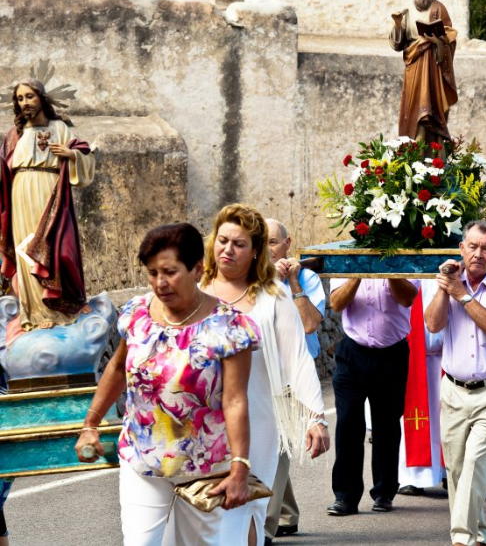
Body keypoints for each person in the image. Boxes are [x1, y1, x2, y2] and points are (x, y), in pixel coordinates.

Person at [74, 223, 258, 545]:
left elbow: (235, 401)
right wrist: (91, 422)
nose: (160, 283)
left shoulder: (228, 327)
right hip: (142, 458)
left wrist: (239, 468)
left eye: (170, 272)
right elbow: (118, 368)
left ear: (197, 268)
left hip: (207, 468)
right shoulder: (138, 314)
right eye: (152, 273)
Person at [197, 206, 328, 546]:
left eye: (239, 244)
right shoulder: (194, 290)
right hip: (200, 421)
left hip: (258, 418)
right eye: (222, 240)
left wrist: (316, 417)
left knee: (246, 509)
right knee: (203, 514)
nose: (227, 249)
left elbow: (297, 358)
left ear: (256, 251)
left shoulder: (274, 296)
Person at [425, 220, 486, 546]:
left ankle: (462, 539)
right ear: (462, 248)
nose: (479, 254)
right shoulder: (449, 284)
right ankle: (478, 534)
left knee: (476, 463)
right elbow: (434, 324)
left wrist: (462, 295)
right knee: (456, 470)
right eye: (473, 247)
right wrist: (444, 287)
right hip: (453, 391)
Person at [0, 79, 96, 340]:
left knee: (54, 246)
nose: (25, 103)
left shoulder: (59, 127)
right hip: (19, 193)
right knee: (26, 248)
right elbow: (4, 170)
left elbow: (86, 156)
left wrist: (71, 154)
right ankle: (34, 312)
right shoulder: (14, 135)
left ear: (42, 98)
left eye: (30, 96)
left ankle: (58, 309)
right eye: (20, 98)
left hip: (49, 191)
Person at [259, 218, 328, 543]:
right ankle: (286, 513)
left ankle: (265, 528)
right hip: (260, 375)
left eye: (274, 241)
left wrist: (293, 283)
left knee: (277, 450)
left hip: (293, 378)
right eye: (262, 242)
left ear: (288, 244)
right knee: (274, 449)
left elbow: (311, 324)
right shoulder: (251, 279)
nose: (269, 249)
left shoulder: (308, 278)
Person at [327, 274, 418, 515]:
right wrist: (359, 272)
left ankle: (384, 491)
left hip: (392, 354)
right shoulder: (348, 261)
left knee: (386, 425)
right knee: (347, 423)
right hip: (352, 352)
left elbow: (408, 298)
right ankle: (345, 496)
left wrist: (386, 269)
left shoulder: (400, 258)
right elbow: (336, 303)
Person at [389, 0, 457, 144]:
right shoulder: (407, 11)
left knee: (430, 107)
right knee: (412, 106)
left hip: (433, 66)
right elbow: (397, 45)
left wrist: (437, 41)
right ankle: (412, 144)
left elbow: (449, 36)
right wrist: (397, 25)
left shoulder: (438, 8)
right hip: (413, 62)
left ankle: (431, 146)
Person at [397, 279, 446, 497]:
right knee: (414, 415)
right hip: (414, 354)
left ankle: (448, 471)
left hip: (449, 356)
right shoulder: (410, 269)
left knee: (448, 418)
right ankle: (414, 476)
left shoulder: (450, 266)